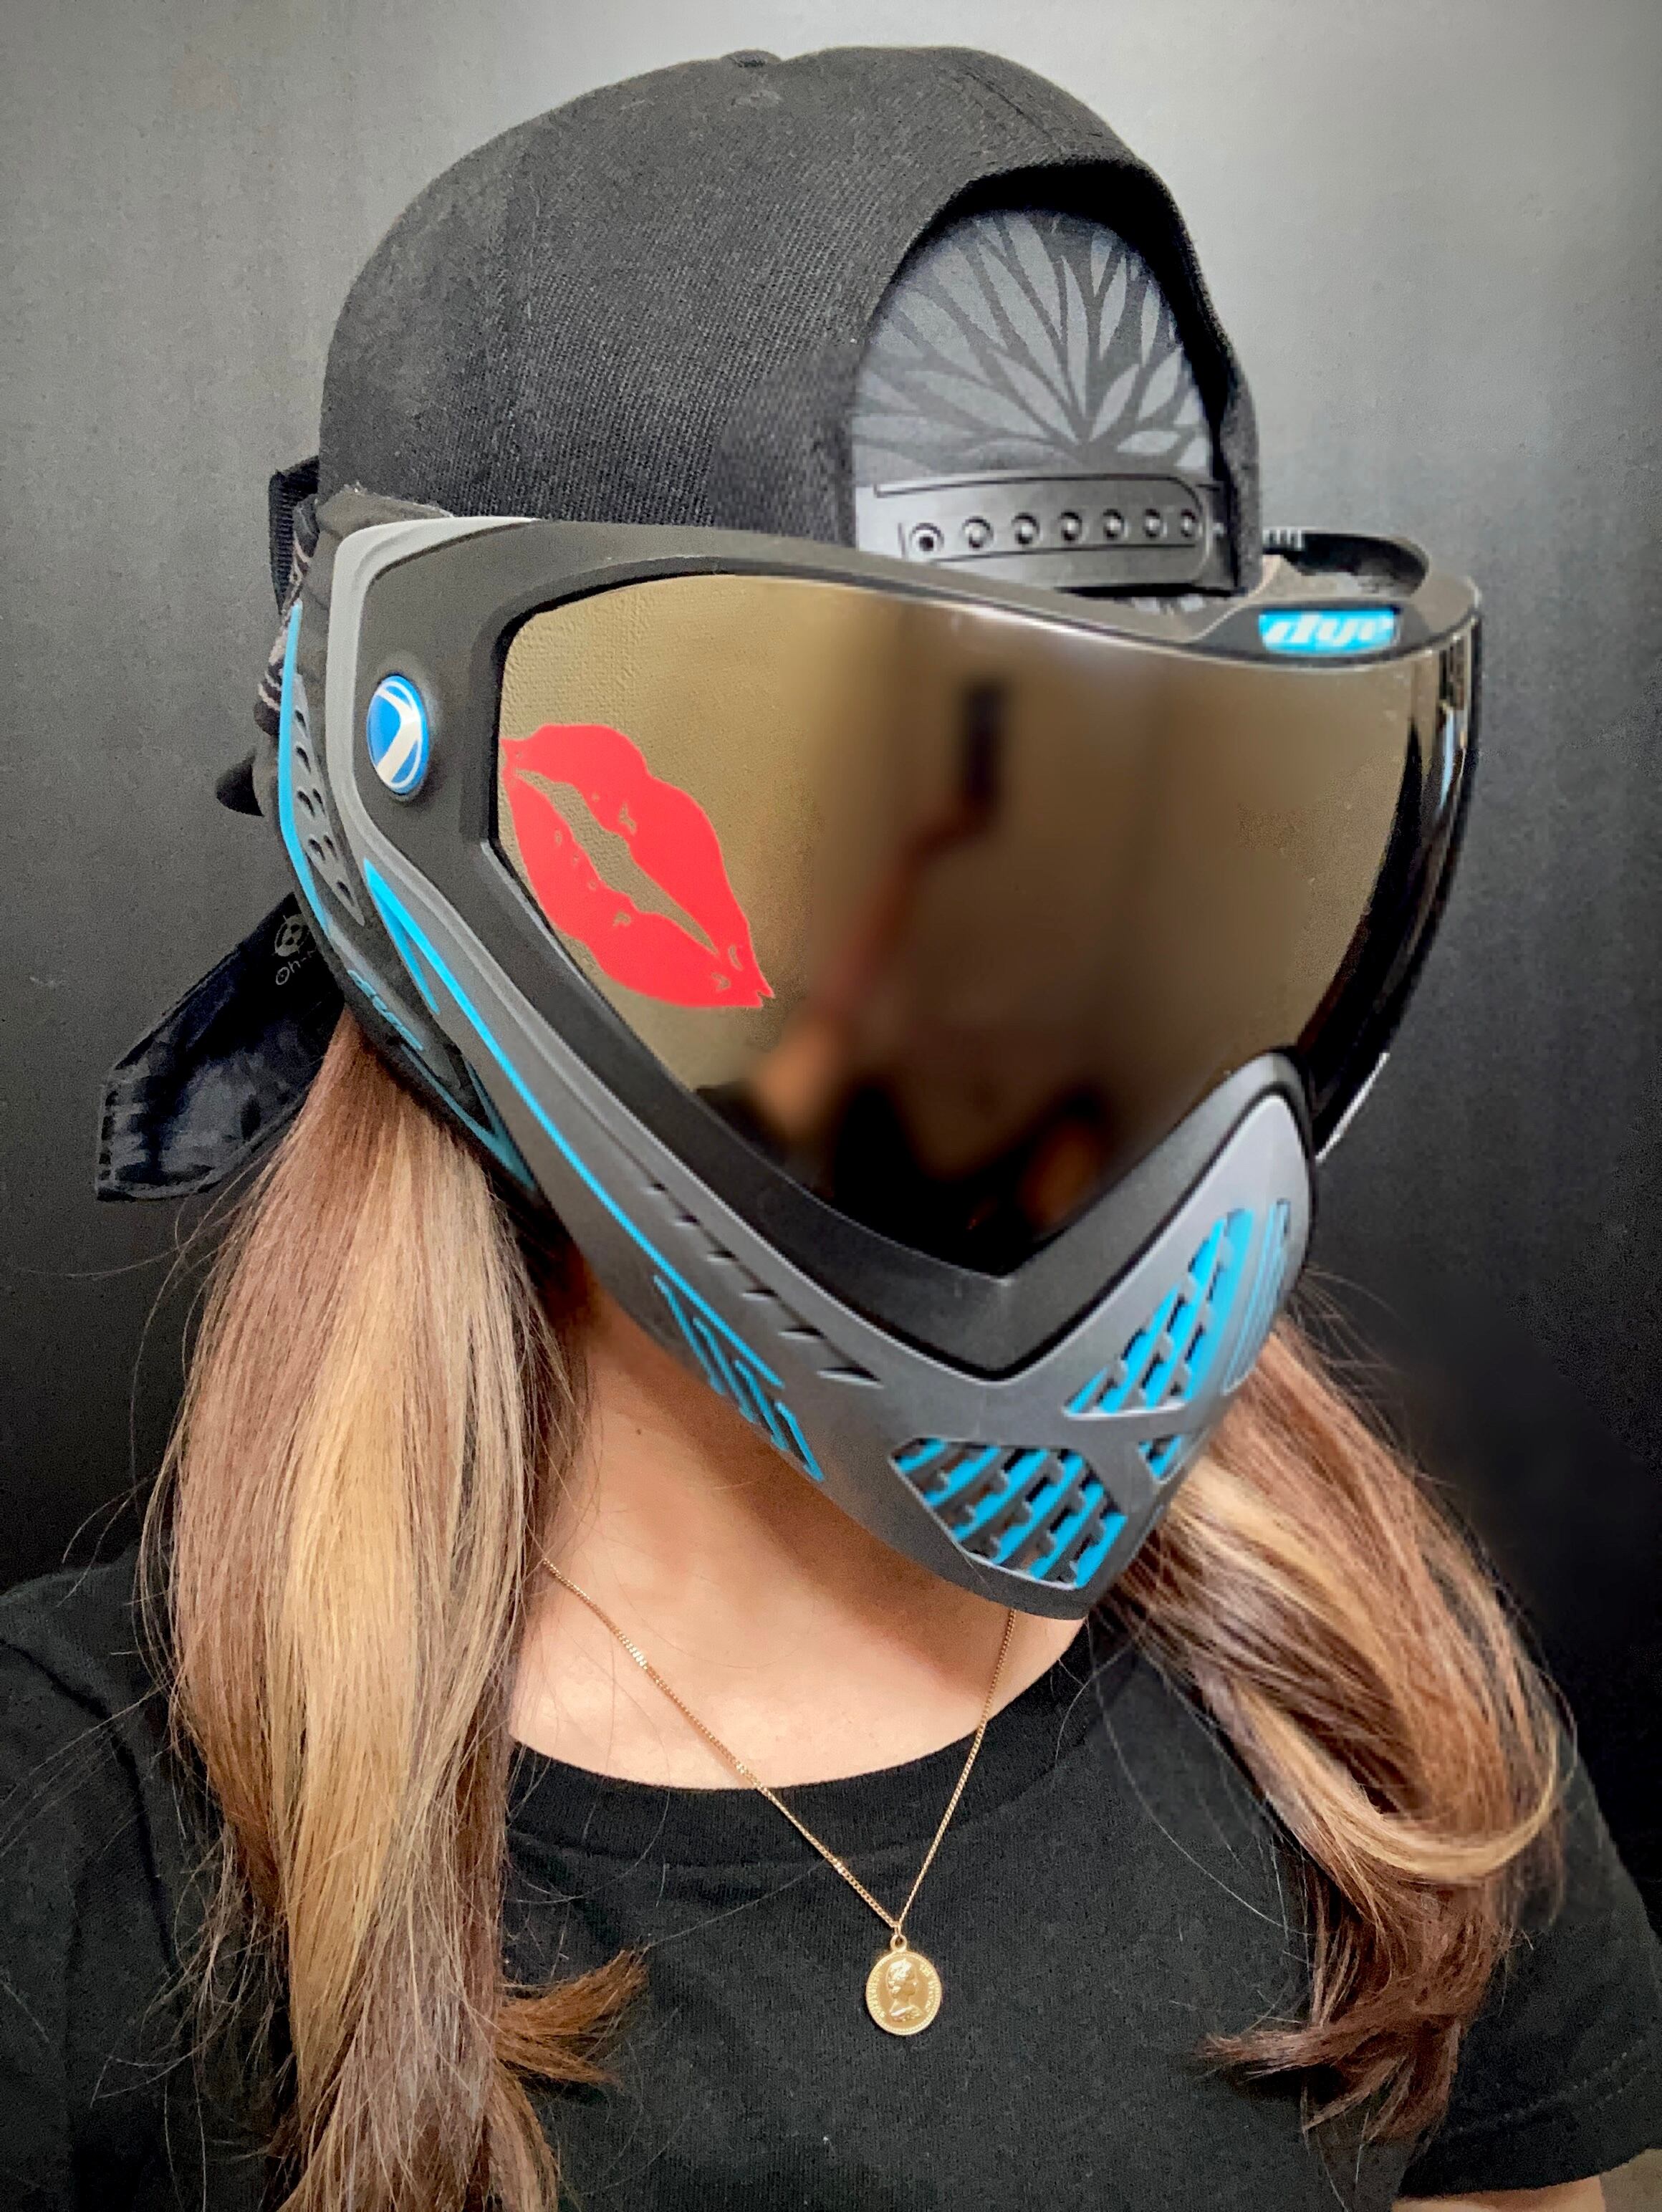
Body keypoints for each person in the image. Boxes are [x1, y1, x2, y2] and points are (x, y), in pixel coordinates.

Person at [3, 44, 1659, 2212]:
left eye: (1129, 827)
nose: (1027, 993)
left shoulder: (1383, 1706)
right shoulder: (76, 1847)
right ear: (421, 802)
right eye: (853, 825)